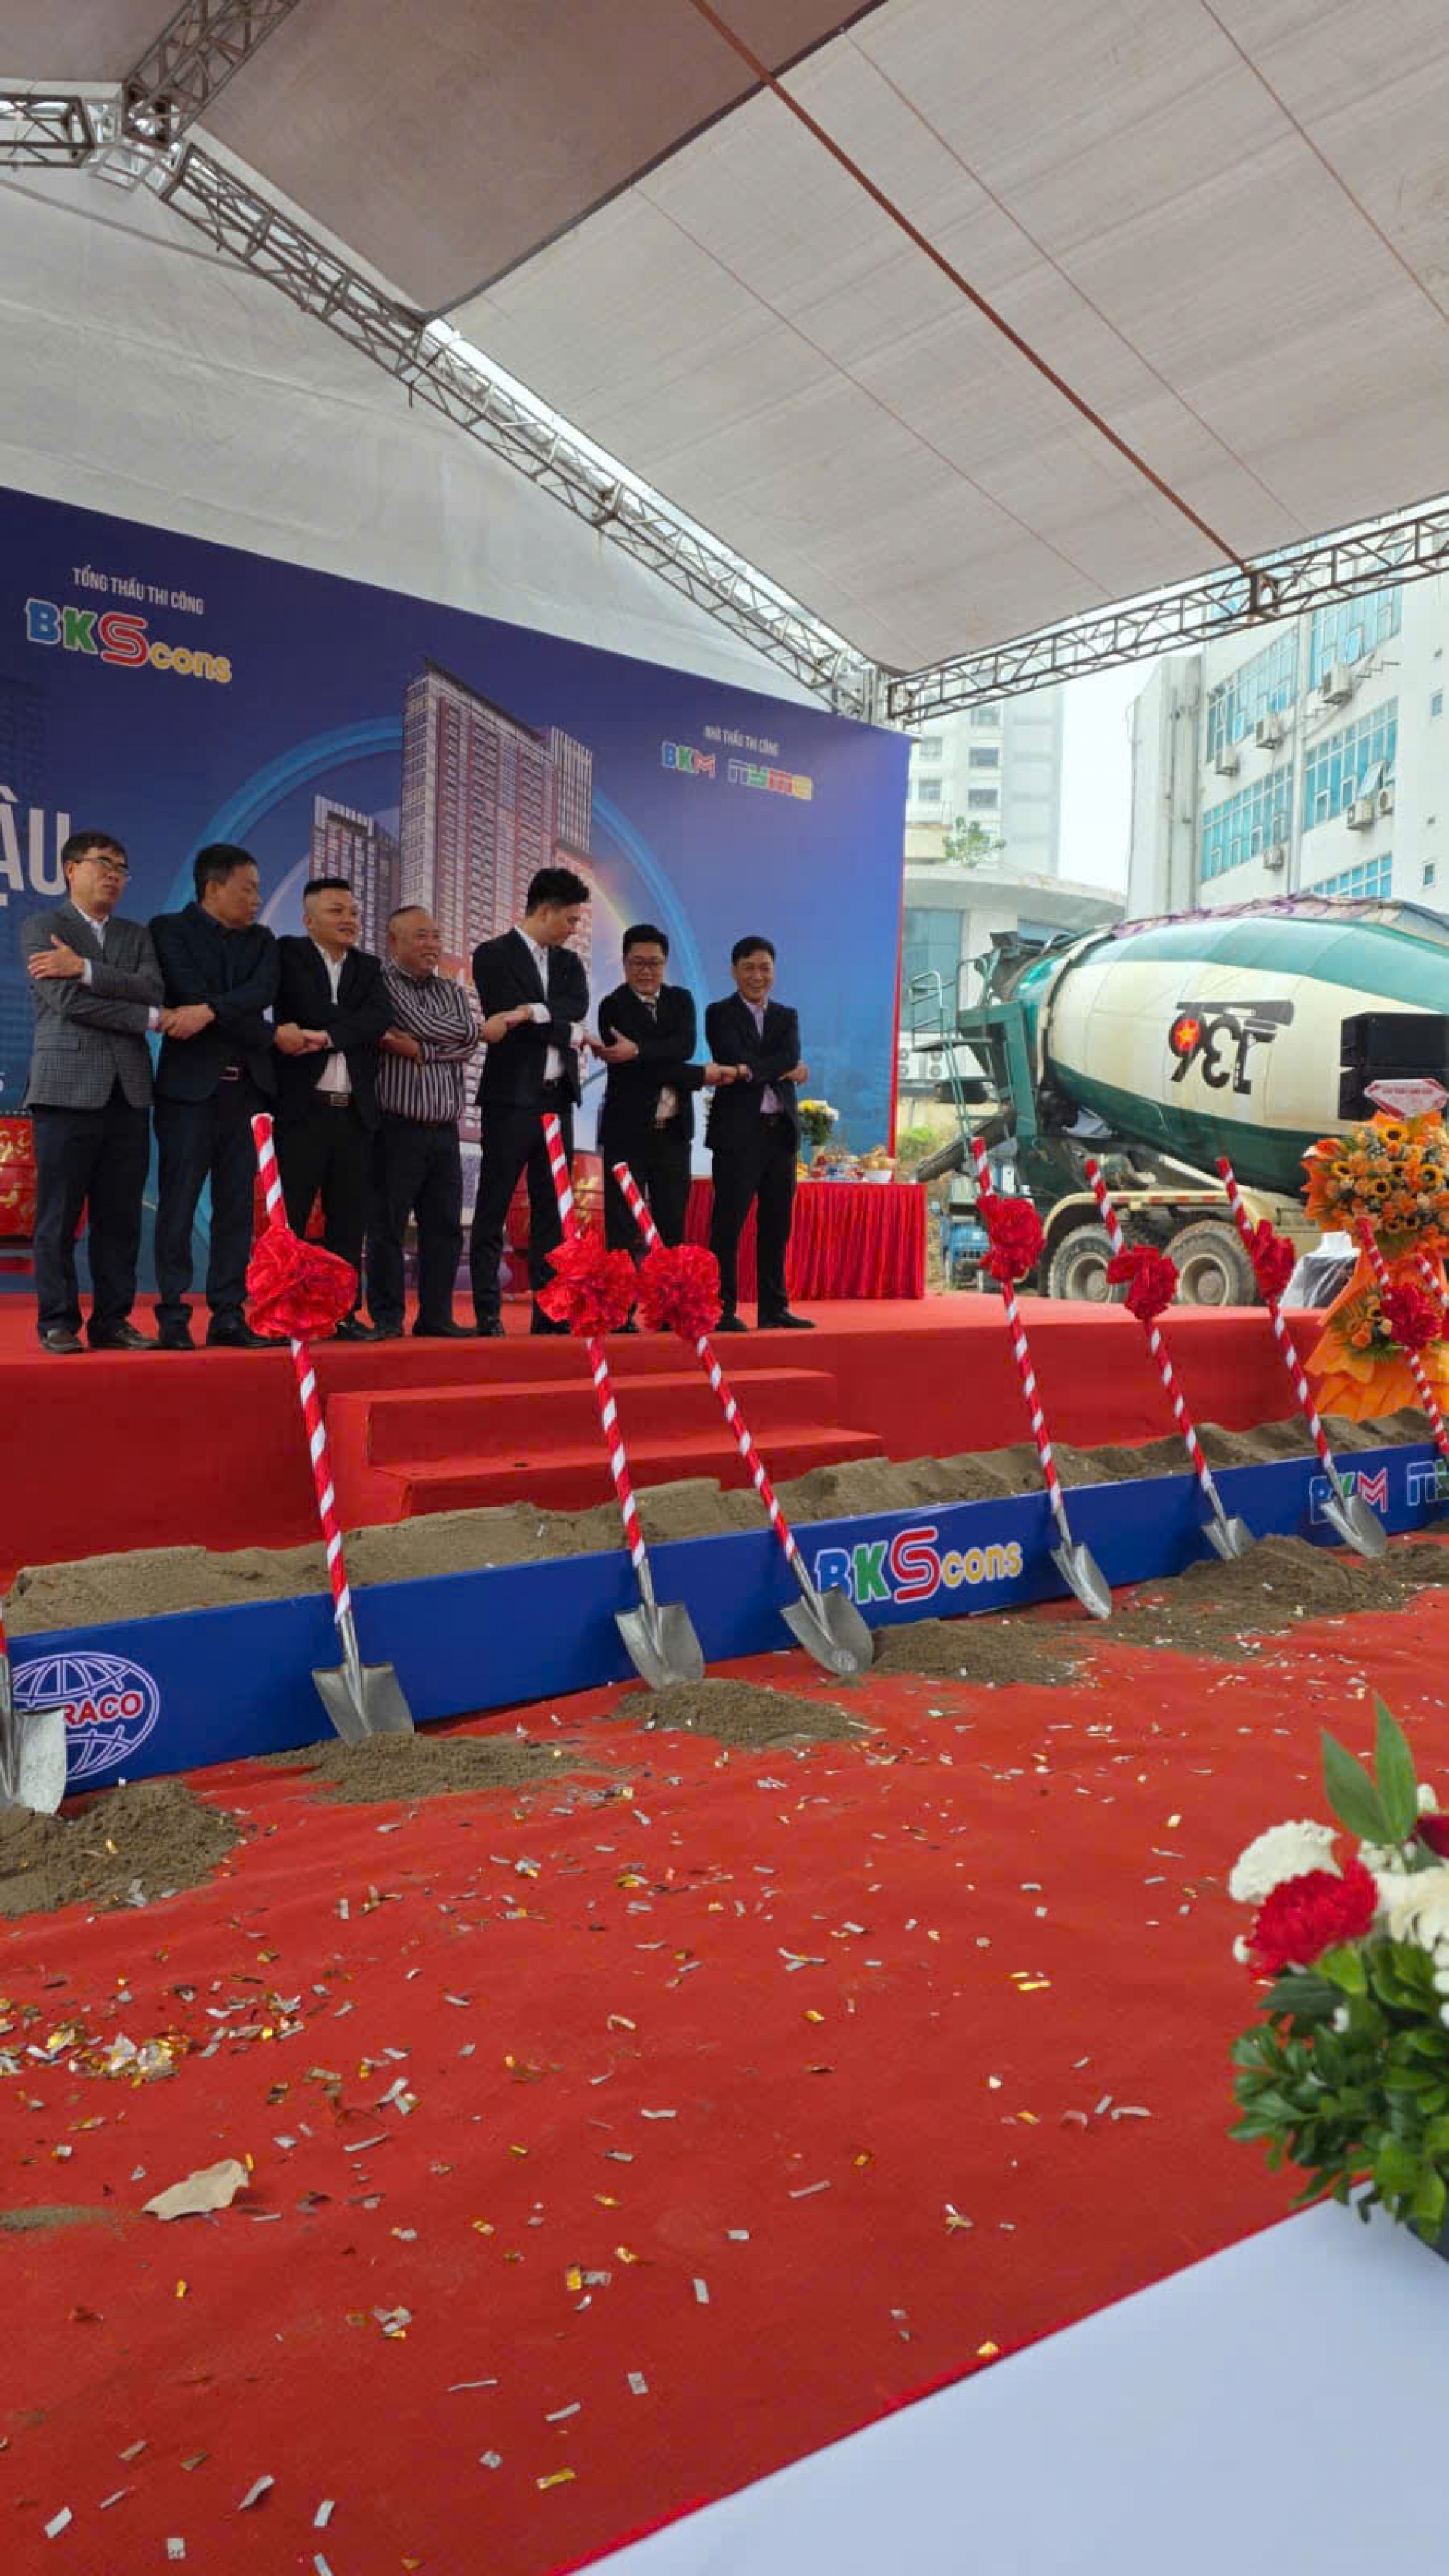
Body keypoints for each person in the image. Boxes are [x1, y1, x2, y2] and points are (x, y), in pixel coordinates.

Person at [22, 829, 164, 1354]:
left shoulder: (137, 935)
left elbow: (154, 988)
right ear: (71, 869)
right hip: (65, 1090)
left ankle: (113, 1320)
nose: (113, 875)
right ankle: (57, 1320)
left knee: (120, 1218)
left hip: (128, 1093)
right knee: (58, 1216)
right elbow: (68, 1003)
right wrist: (146, 1018)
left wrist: (82, 968)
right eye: (103, 863)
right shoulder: (43, 926)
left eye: (121, 868)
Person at [368, 903, 521, 1340]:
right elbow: (426, 1023)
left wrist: (420, 1049)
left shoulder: (452, 989)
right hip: (397, 1126)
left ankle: (435, 1316)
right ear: (393, 941)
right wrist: (466, 1035)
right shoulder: (382, 983)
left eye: (436, 936)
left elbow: (466, 1041)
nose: (432, 945)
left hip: (444, 1131)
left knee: (445, 1229)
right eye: (421, 936)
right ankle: (387, 1317)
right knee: (388, 1226)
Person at [149, 842, 280, 1350]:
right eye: (248, 889)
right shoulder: (169, 930)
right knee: (179, 1204)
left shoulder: (263, 940)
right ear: (213, 887)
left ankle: (228, 1313)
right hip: (189, 1094)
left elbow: (261, 993)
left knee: (235, 1210)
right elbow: (185, 989)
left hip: (245, 1093)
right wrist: (237, 1016)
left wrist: (207, 1012)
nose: (256, 900)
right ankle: (172, 1314)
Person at [469, 864, 591, 1337]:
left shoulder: (569, 964)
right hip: (510, 1100)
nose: (574, 928)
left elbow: (576, 1007)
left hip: (557, 1101)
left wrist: (533, 1013)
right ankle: (487, 1312)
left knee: (552, 1210)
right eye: (570, 919)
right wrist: (567, 1030)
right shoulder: (493, 955)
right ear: (546, 911)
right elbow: (506, 1017)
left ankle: (550, 1311)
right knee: (494, 1204)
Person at [592, 925, 728, 1325]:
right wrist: (697, 1074)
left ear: (665, 964)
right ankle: (620, 1312)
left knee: (671, 1225)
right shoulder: (613, 1005)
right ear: (624, 963)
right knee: (622, 1228)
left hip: (672, 1134)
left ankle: (669, 1309)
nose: (646, 970)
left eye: (654, 963)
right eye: (637, 962)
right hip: (626, 1135)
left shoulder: (680, 1000)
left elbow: (683, 1047)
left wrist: (638, 1049)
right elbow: (641, 1069)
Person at [272, 877, 390, 1340]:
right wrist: (350, 1025)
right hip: (302, 1112)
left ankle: (342, 1314)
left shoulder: (369, 967)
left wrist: (325, 1035)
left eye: (354, 913)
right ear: (308, 920)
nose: (349, 920)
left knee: (348, 1223)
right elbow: (304, 1004)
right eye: (337, 911)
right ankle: (282, 1310)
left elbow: (378, 1018)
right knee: (291, 1220)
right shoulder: (289, 955)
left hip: (354, 1115)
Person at [703, 934, 813, 1333]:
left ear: (774, 971)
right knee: (728, 1224)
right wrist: (777, 1068)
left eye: (765, 968)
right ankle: (721, 1308)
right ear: (734, 971)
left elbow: (786, 1057)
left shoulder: (787, 1016)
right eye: (748, 968)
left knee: (776, 1225)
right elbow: (732, 1055)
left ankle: (774, 1308)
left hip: (779, 1134)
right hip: (738, 1135)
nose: (757, 976)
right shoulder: (719, 1013)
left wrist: (751, 1070)